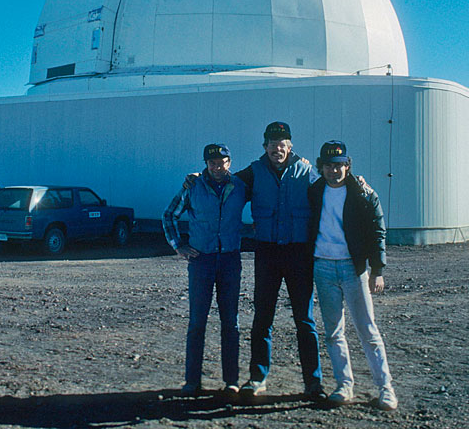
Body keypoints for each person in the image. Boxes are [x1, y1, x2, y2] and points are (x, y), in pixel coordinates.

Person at [232, 122, 326, 401]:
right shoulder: (254, 172)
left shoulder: (306, 171)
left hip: (299, 255)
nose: (277, 148)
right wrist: (197, 177)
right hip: (267, 253)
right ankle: (257, 377)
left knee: (305, 320)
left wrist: (356, 181)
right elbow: (225, 184)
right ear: (265, 147)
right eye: (272, 144)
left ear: (290, 145)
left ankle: (313, 383)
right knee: (263, 318)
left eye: (282, 143)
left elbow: (332, 185)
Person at [307, 140, 397, 410]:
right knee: (333, 332)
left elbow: (377, 230)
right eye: (328, 166)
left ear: (347, 166)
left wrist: (377, 270)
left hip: (353, 268)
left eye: (339, 165)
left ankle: (386, 389)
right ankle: (344, 385)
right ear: (320, 168)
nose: (334, 171)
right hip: (323, 268)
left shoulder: (363, 193)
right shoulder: (314, 191)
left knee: (367, 330)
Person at [162, 143, 250, 399]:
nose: (217, 167)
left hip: (230, 261)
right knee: (197, 323)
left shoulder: (240, 187)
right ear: (206, 164)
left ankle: (231, 381)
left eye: (222, 162)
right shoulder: (192, 187)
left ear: (229, 163)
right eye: (212, 163)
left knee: (230, 324)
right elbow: (169, 215)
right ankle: (192, 382)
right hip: (201, 261)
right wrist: (179, 246)